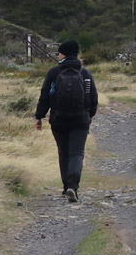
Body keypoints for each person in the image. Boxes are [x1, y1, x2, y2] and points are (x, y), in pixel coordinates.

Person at [35, 39, 98, 201]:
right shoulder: (85, 74)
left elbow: (45, 96)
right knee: (77, 153)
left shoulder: (54, 73)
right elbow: (93, 98)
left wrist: (39, 116)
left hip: (58, 119)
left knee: (64, 153)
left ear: (63, 54)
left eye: (59, 52)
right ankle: (73, 186)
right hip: (80, 119)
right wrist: (89, 115)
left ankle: (65, 187)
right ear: (76, 54)